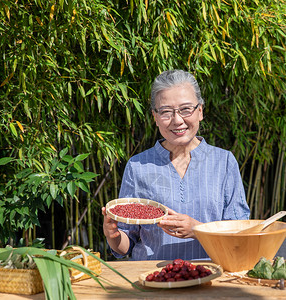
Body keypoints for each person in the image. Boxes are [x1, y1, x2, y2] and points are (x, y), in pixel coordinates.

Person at [102, 69, 250, 260]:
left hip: (211, 276)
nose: (177, 120)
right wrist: (113, 236)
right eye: (166, 112)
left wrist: (198, 230)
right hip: (152, 280)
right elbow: (125, 245)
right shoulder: (138, 166)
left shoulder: (224, 162)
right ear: (155, 117)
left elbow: (240, 234)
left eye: (186, 109)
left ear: (200, 111)